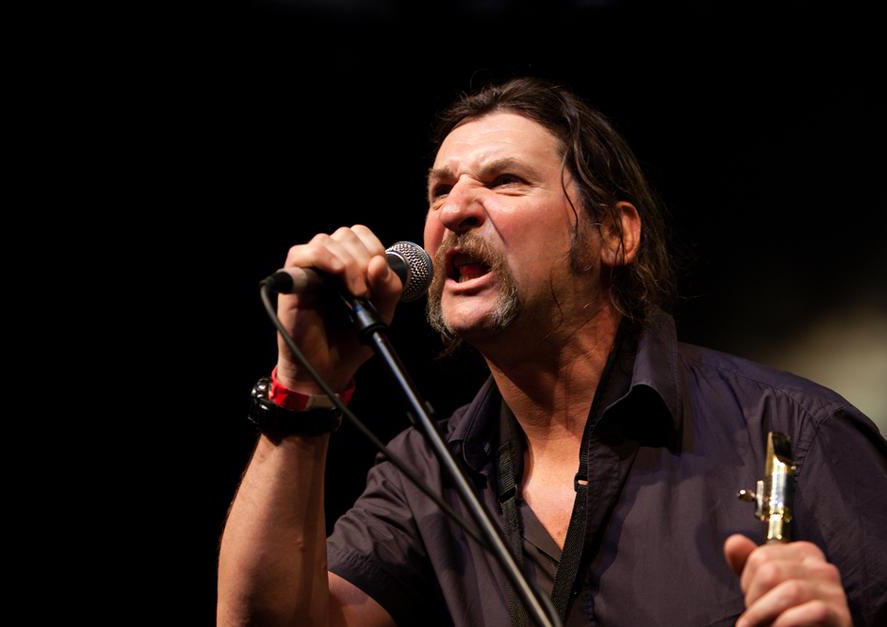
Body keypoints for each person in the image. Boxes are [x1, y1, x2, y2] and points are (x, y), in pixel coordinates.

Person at [217, 78, 886, 626]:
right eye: (440, 189)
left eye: (504, 180)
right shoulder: (425, 474)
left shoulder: (795, 429)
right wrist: (301, 387)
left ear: (613, 235)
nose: (453, 210)